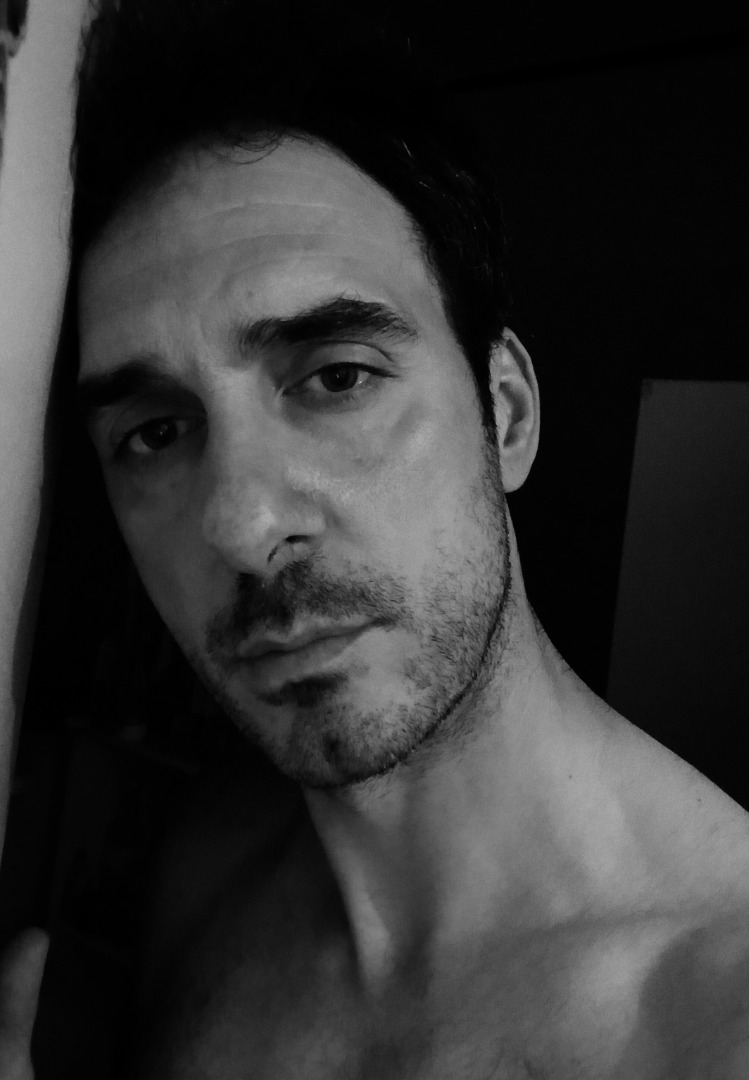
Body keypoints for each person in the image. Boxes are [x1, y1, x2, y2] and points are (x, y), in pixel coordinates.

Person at [4, 1, 749, 1076]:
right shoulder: (200, 875)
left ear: (505, 415)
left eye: (337, 377)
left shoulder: (714, 1017)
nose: (240, 526)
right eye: (155, 433)